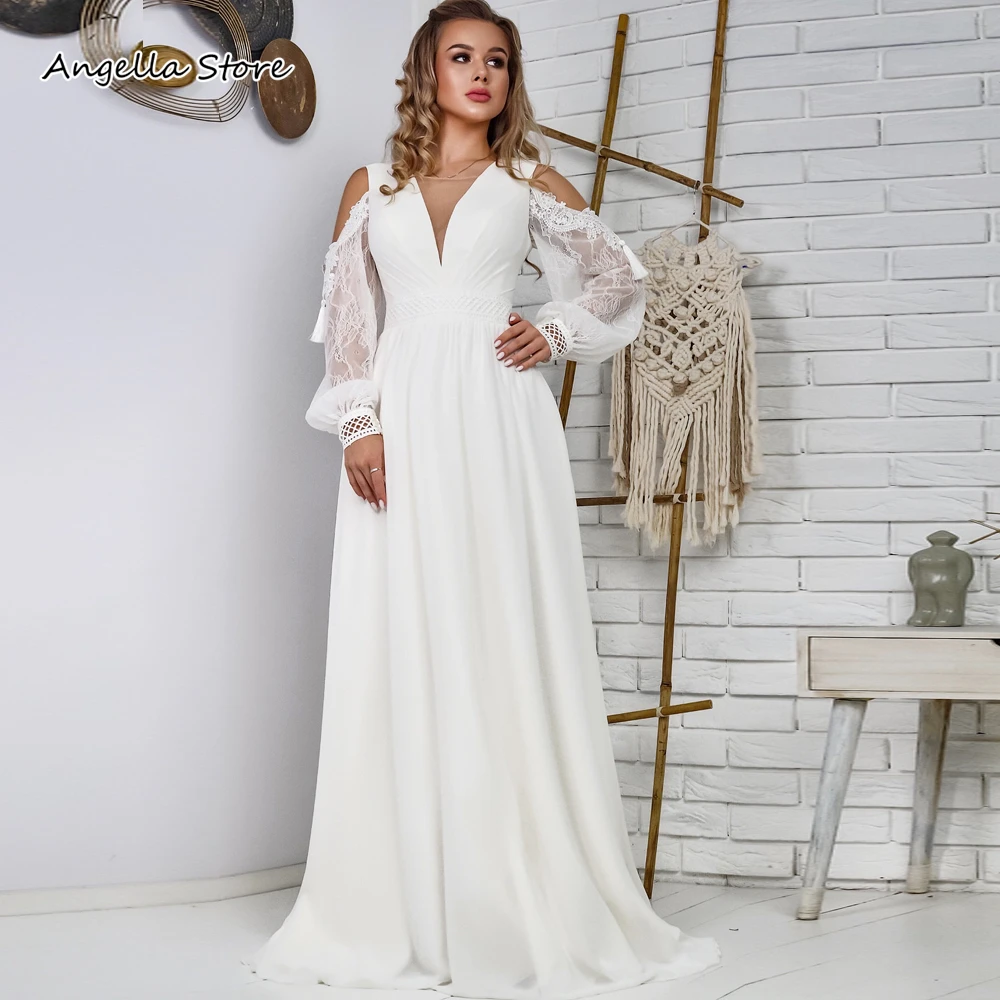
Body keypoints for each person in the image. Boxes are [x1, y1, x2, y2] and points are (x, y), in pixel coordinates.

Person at [244, 1, 720, 996]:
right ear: (426, 69)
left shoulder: (527, 181)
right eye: (461, 56)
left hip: (498, 417)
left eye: (497, 60)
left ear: (511, 79)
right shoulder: (370, 186)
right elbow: (349, 317)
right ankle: (403, 883)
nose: (480, 73)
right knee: (400, 616)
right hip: (402, 410)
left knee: (499, 613)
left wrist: (553, 331)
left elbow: (619, 280)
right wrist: (360, 421)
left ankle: (514, 875)